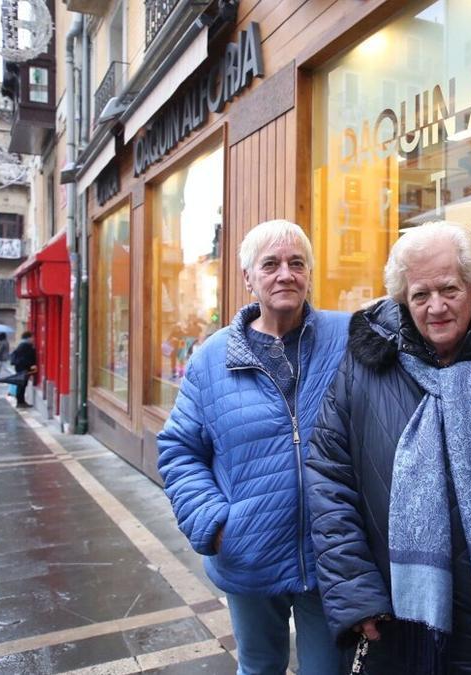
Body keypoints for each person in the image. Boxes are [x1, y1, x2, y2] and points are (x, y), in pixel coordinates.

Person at [306, 221, 471, 673]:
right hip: (391, 622)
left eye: (449, 289)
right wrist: (355, 593)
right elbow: (329, 481)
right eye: (420, 295)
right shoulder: (363, 368)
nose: (436, 307)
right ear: (402, 299)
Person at [157, 220, 350, 675]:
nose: (286, 274)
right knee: (260, 667)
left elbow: (420, 326)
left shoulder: (346, 338)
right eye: (271, 264)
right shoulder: (212, 358)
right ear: (249, 278)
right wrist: (217, 524)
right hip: (250, 552)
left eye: (296, 263)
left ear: (309, 274)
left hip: (330, 551)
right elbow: (179, 449)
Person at [9, 331, 37, 409]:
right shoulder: (25, 346)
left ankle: (21, 401)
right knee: (22, 385)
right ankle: (20, 402)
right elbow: (27, 358)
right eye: (32, 337)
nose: (33, 339)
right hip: (23, 368)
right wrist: (31, 366)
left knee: (21, 385)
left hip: (20, 367)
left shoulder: (22, 345)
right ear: (28, 338)